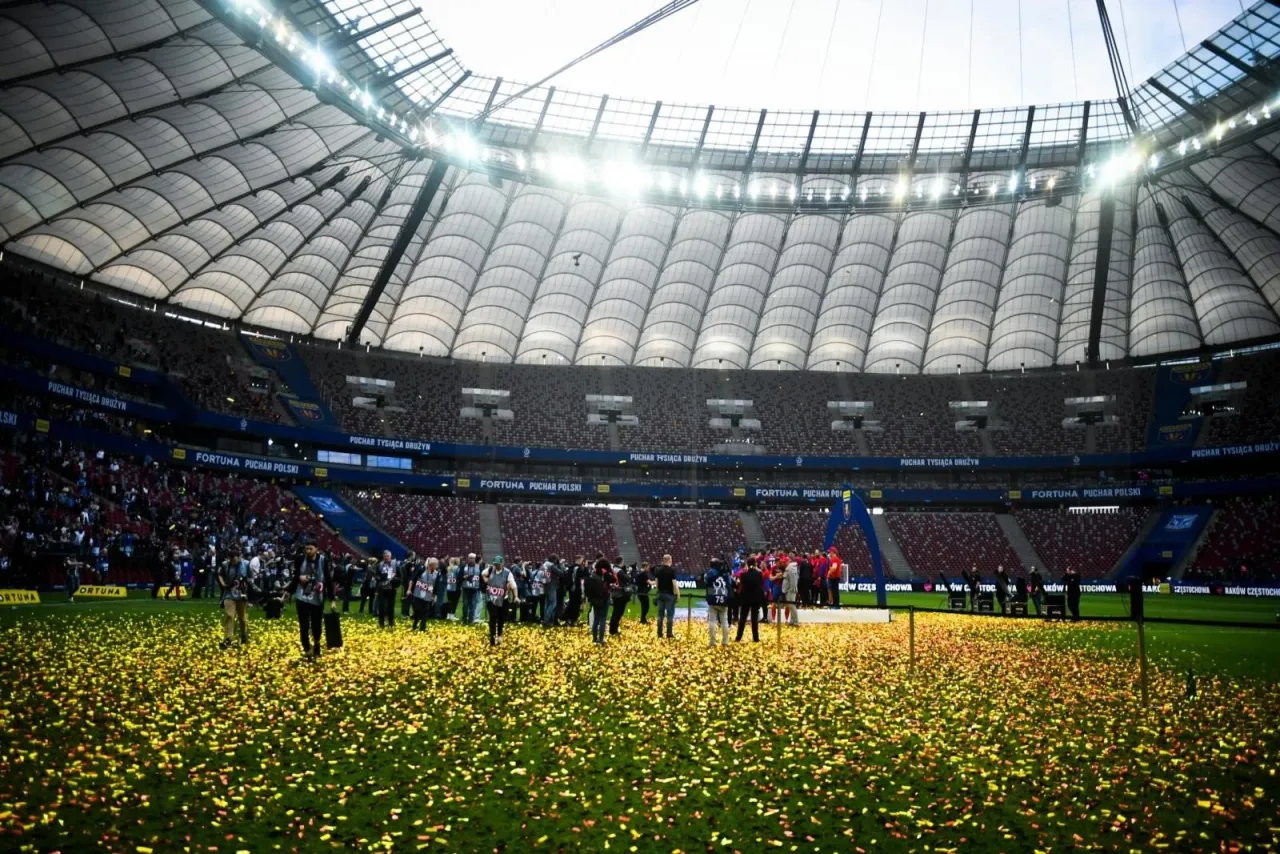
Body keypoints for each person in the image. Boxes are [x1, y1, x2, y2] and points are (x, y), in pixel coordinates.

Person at [293, 543, 326, 658]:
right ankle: (307, 648)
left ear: (317, 549)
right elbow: (295, 575)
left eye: (310, 548)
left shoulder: (323, 560)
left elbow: (328, 578)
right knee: (304, 625)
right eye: (306, 548)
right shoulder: (300, 559)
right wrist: (299, 577)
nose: (307, 551)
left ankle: (317, 643)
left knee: (317, 625)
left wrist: (331, 599)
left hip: (317, 597)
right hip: (302, 597)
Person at [217, 546, 251, 649]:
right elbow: (219, 574)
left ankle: (243, 634)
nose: (232, 561)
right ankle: (227, 639)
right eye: (230, 559)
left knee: (242, 618)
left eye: (234, 558)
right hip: (229, 594)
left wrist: (247, 586)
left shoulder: (246, 564)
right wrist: (223, 585)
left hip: (242, 594)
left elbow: (251, 577)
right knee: (229, 615)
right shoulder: (225, 565)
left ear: (239, 557)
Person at [481, 556, 518, 646]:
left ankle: (500, 634)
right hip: (492, 599)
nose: (497, 566)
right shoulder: (489, 570)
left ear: (502, 563)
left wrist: (516, 596)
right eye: (495, 564)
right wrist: (486, 580)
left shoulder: (507, 573)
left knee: (501, 618)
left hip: (503, 599)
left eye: (498, 564)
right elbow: (483, 574)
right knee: (493, 618)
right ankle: (492, 636)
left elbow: (514, 586)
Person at [735, 557, 765, 642]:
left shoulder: (743, 575)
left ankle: (738, 637)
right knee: (754, 619)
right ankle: (756, 638)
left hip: (746, 598)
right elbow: (760, 584)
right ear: (755, 564)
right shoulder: (759, 574)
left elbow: (742, 585)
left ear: (747, 564)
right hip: (755, 598)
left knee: (743, 618)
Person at [585, 558, 614, 645]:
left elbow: (587, 591)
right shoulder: (605, 576)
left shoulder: (592, 577)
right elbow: (613, 579)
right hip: (604, 599)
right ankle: (601, 638)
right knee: (603, 619)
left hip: (595, 600)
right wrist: (608, 572)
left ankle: (594, 638)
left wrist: (591, 599)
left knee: (596, 619)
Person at [704, 558, 732, 647]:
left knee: (712, 621)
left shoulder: (709, 573)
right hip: (723, 598)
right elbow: (730, 582)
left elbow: (705, 580)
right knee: (724, 621)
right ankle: (725, 641)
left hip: (712, 598)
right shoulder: (726, 574)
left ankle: (712, 642)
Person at [654, 554, 679, 639]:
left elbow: (656, 584)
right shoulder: (672, 570)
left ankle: (659, 633)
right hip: (669, 595)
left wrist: (659, 591)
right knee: (670, 615)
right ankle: (669, 633)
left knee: (660, 615)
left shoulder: (658, 570)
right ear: (670, 560)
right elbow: (674, 584)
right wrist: (678, 594)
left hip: (660, 594)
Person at [411, 557, 438, 631]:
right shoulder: (421, 569)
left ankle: (423, 627)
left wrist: (434, 596)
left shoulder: (436, 573)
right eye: (436, 564)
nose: (437, 566)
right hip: (418, 593)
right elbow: (413, 579)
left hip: (428, 594)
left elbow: (436, 585)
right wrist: (410, 589)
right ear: (431, 564)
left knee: (426, 610)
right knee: (418, 610)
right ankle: (414, 625)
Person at [375, 550, 399, 628]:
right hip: (382, 588)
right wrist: (380, 578)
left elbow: (400, 576)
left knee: (391, 606)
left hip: (392, 588)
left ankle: (391, 622)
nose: (386, 558)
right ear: (383, 557)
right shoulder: (379, 565)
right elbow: (376, 575)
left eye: (388, 556)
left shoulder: (395, 564)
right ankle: (381, 623)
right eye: (385, 556)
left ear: (390, 557)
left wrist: (396, 581)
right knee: (381, 606)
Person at [608, 556, 629, 636]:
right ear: (621, 562)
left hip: (613, 592)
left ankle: (613, 629)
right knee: (618, 612)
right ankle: (614, 630)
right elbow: (627, 579)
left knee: (615, 612)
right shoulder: (620, 571)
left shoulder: (612, 569)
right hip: (620, 593)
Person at [461, 553, 483, 624]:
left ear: (475, 559)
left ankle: (471, 620)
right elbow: (459, 577)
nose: (471, 559)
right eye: (470, 558)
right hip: (466, 588)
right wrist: (465, 577)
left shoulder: (479, 567)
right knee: (465, 604)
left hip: (475, 589)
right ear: (467, 558)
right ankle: (464, 619)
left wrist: (481, 587)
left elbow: (481, 577)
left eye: (472, 558)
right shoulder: (464, 566)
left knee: (473, 605)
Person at [563, 555, 585, 625]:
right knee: (576, 604)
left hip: (571, 588)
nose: (582, 561)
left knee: (572, 603)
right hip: (576, 588)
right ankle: (573, 619)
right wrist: (585, 567)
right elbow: (585, 574)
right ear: (579, 559)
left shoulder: (570, 568)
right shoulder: (577, 568)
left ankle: (568, 618)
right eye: (582, 560)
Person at [541, 555, 561, 628]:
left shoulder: (544, 564)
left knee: (547, 604)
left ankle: (546, 620)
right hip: (552, 585)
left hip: (545, 584)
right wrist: (559, 565)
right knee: (553, 603)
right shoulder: (552, 565)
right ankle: (546, 621)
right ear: (554, 560)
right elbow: (560, 573)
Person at [781, 559, 800, 626]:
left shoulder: (791, 569)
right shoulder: (789, 568)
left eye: (784, 562)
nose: (783, 564)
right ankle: (792, 620)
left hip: (790, 590)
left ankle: (796, 621)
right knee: (790, 606)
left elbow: (794, 580)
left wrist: (792, 589)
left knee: (792, 605)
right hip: (788, 590)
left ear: (787, 562)